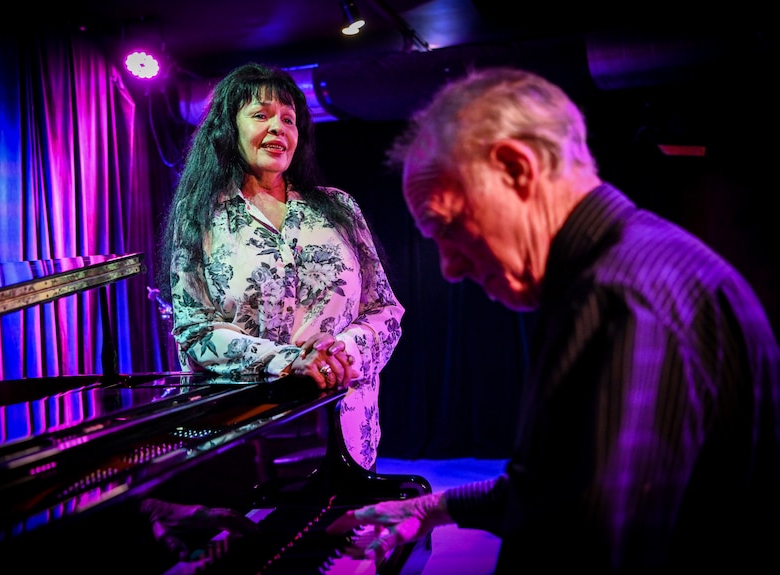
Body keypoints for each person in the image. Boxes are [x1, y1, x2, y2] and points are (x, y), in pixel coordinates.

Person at [326, 67, 780, 573]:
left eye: (447, 227)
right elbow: (561, 483)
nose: (451, 268)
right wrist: (432, 506)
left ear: (517, 170)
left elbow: (584, 546)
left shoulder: (618, 296)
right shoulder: (636, 264)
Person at [160, 62, 404, 471]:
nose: (278, 128)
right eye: (261, 115)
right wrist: (288, 361)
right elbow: (194, 331)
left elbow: (386, 312)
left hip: (344, 428)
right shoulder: (198, 214)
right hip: (243, 434)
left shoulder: (339, 208)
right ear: (228, 129)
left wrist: (336, 354)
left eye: (288, 119)